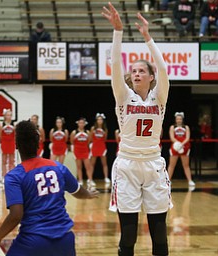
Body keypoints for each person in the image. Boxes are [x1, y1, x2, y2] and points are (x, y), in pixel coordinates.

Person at [102, 3, 172, 256]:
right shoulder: (124, 97)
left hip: (153, 165)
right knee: (128, 234)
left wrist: (148, 38)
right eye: (134, 71)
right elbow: (114, 67)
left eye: (142, 70)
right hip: (128, 166)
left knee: (159, 233)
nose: (137, 73)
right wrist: (118, 31)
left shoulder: (159, 97)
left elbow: (163, 69)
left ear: (151, 77)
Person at [0, 120, 98, 256]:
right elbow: (77, 191)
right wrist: (88, 194)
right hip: (65, 239)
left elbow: (16, 215)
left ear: (16, 145)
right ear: (38, 143)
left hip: (33, 241)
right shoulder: (59, 167)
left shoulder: (14, 176)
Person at [168, 112, 195, 187]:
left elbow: (187, 137)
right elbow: (172, 137)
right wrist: (177, 144)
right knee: (171, 165)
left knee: (186, 165)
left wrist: (182, 144)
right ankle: (168, 180)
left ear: (182, 119)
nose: (179, 120)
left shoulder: (186, 127)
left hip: (184, 147)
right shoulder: (172, 127)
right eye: (177, 119)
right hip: (175, 147)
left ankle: (190, 180)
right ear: (175, 119)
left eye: (180, 119)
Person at [70, 117, 95, 186]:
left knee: (88, 166)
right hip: (77, 151)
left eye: (82, 123)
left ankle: (90, 180)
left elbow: (89, 140)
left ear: (84, 124)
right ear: (78, 123)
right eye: (80, 123)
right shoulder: (74, 132)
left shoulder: (87, 132)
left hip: (85, 151)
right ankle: (80, 180)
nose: (81, 124)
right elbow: (72, 142)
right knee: (79, 166)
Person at [90, 113, 110, 184]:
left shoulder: (105, 129)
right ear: (96, 120)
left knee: (104, 163)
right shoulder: (93, 128)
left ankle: (106, 177)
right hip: (94, 147)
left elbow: (105, 138)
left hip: (102, 147)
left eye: (101, 119)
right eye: (98, 119)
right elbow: (90, 138)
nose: (100, 121)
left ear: (103, 120)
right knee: (92, 163)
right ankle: (90, 179)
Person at [0, 109, 16, 183]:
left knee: (12, 161)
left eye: (10, 115)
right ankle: (4, 176)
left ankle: (11, 176)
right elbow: (0, 135)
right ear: (4, 116)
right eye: (7, 115)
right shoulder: (1, 125)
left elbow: (15, 135)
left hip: (11, 143)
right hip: (4, 143)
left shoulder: (14, 124)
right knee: (4, 161)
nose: (9, 116)